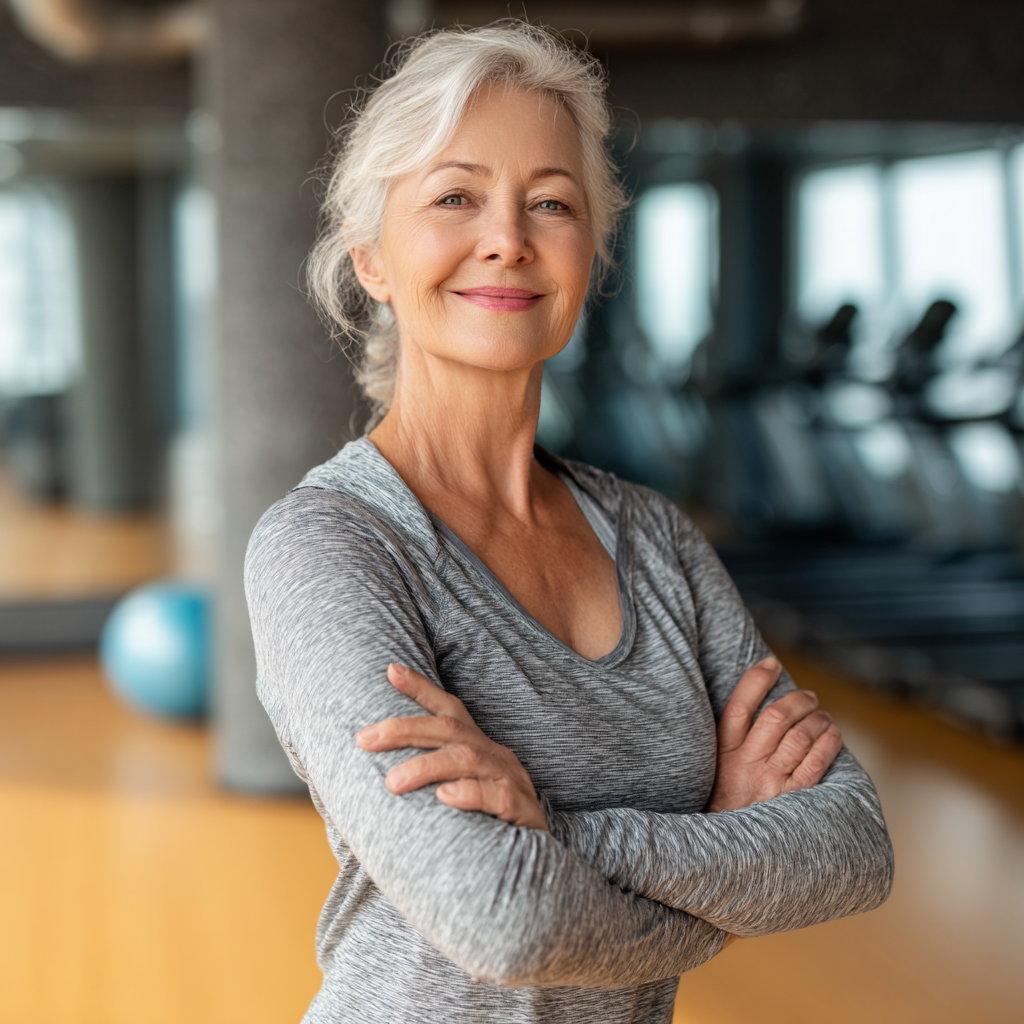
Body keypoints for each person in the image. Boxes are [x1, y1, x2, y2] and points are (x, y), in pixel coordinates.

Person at [245, 21, 893, 1024]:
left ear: (587, 255)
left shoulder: (655, 541)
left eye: (549, 202)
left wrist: (552, 827)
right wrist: (724, 849)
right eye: (455, 196)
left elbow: (850, 846)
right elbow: (503, 921)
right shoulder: (328, 545)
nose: (506, 236)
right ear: (371, 257)